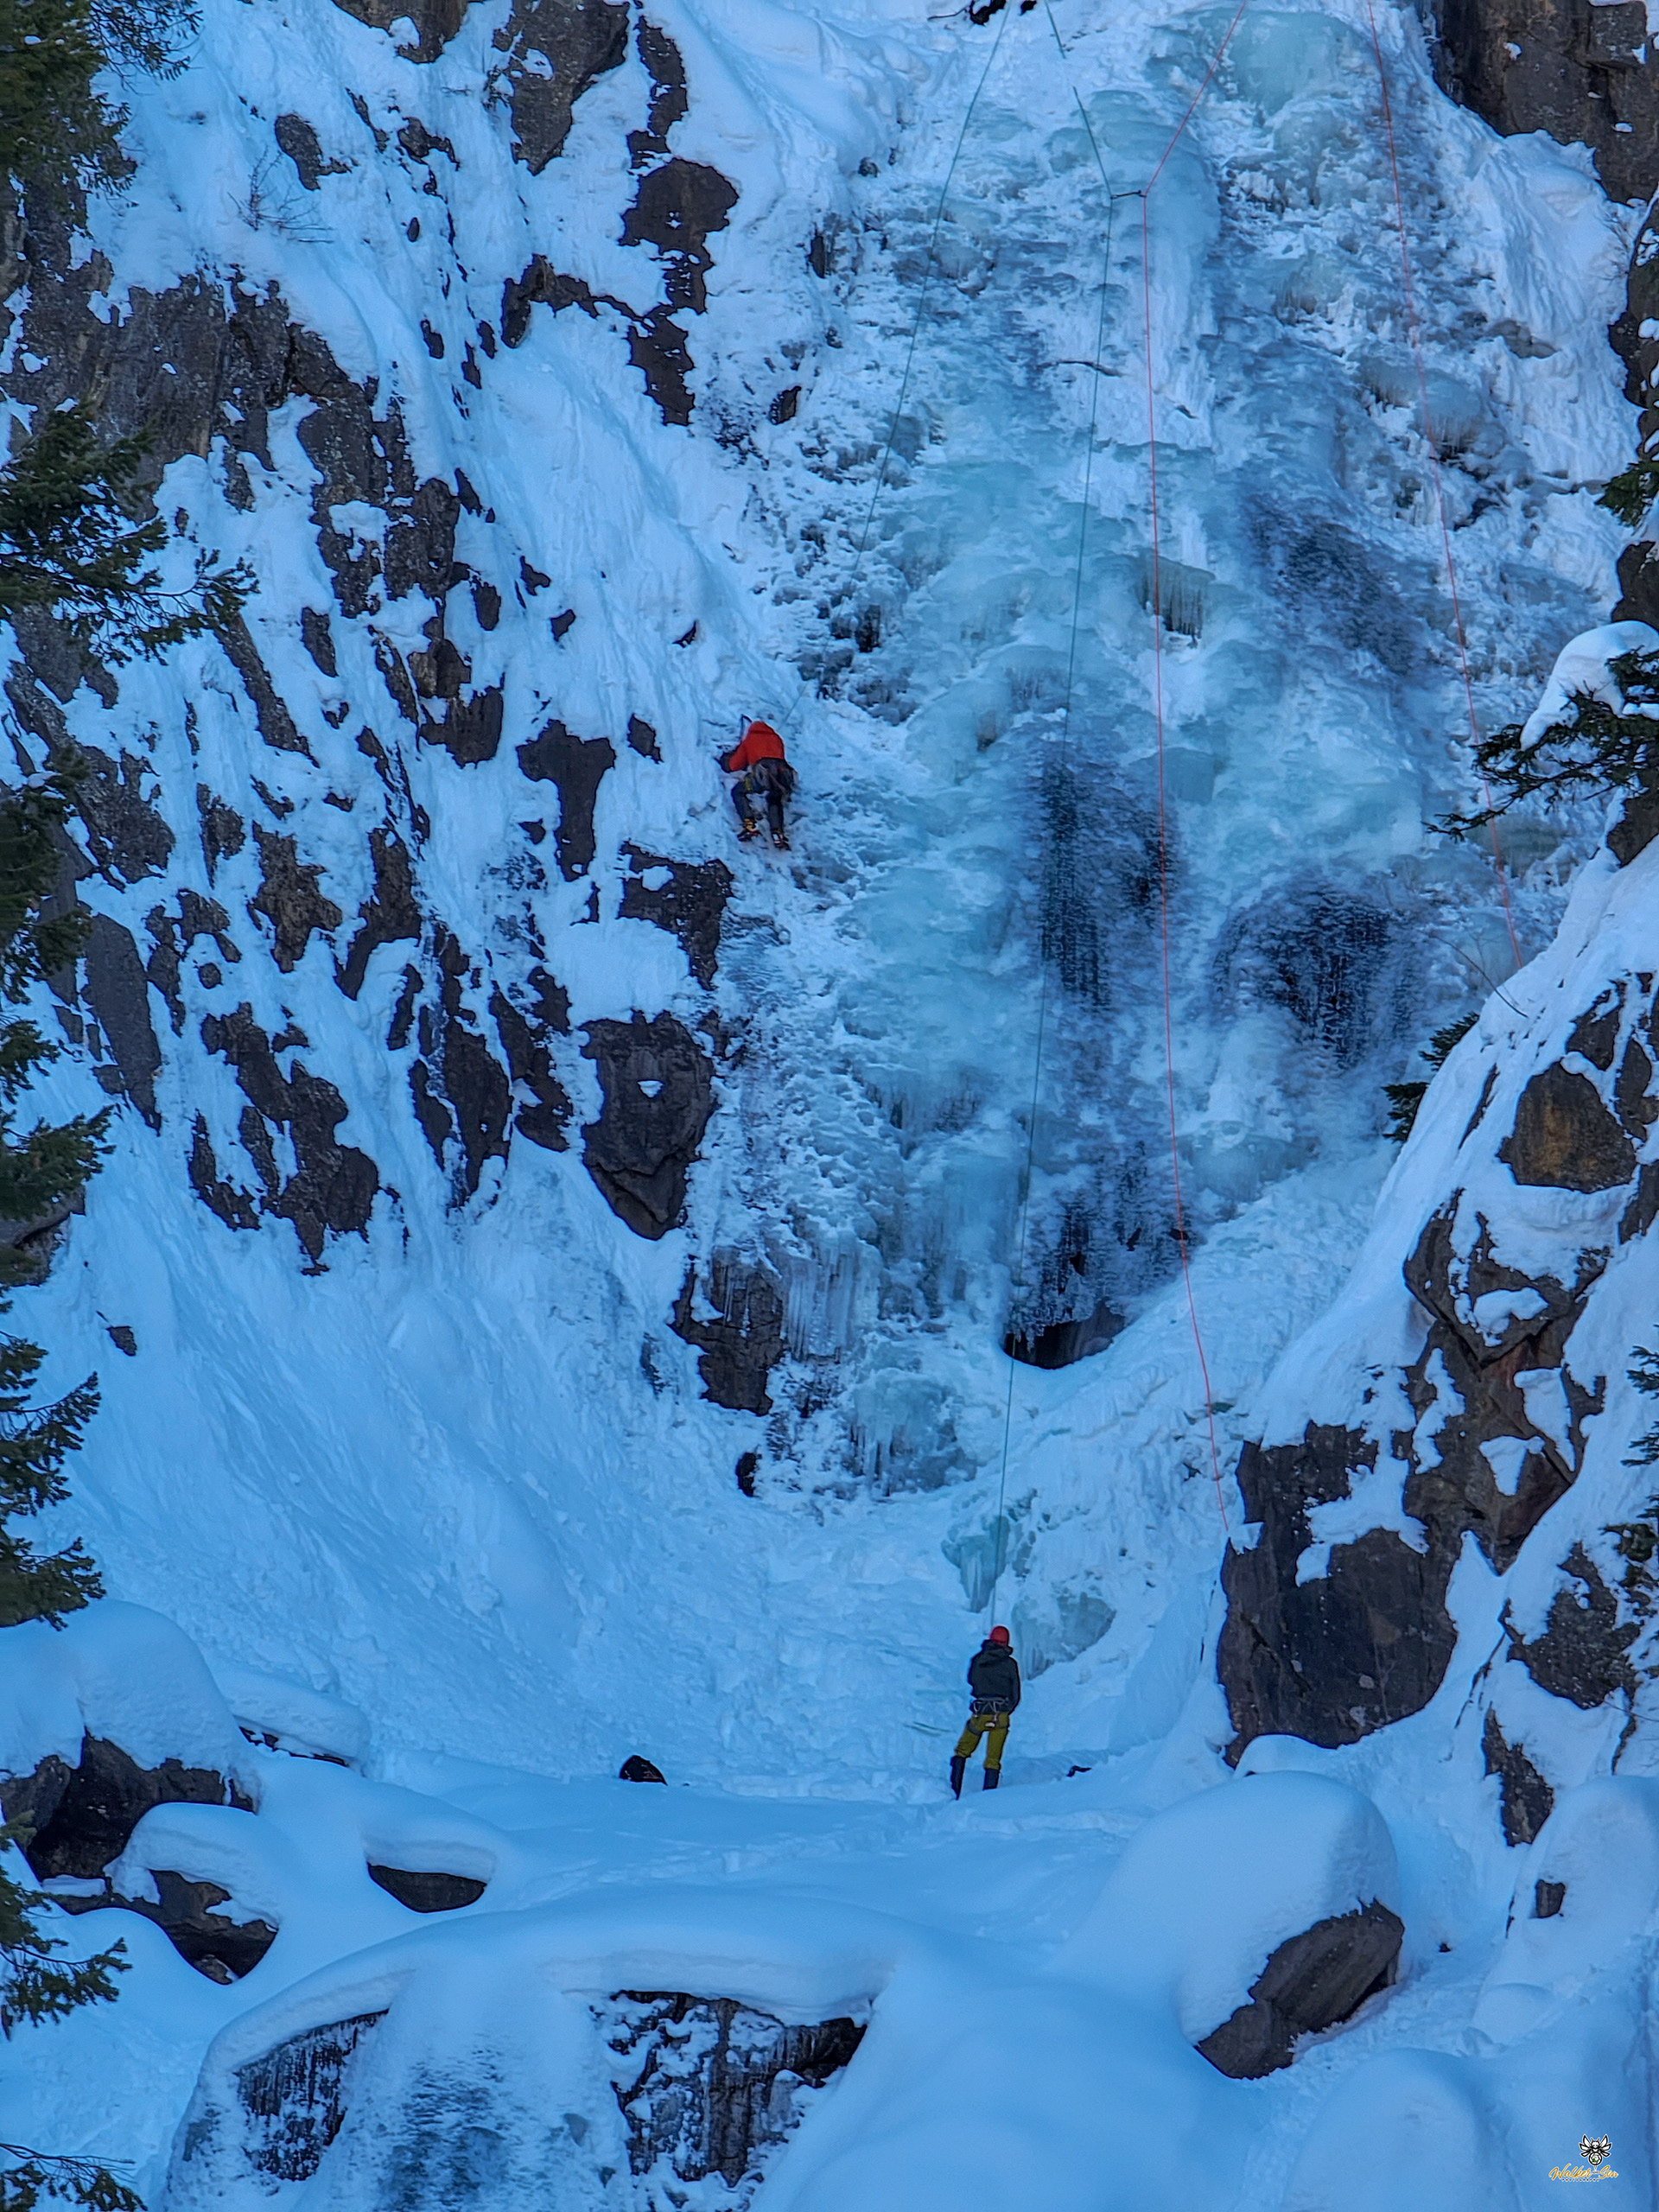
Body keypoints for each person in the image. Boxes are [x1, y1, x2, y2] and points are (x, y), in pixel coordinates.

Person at [950, 1624, 1020, 1796]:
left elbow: (972, 1682)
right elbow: (1016, 1693)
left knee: (962, 1751)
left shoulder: (978, 1660)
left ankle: (952, 1790)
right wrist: (1006, 1709)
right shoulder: (1010, 1664)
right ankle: (988, 1799)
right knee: (993, 1760)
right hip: (1001, 1715)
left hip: (980, 1712)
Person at [720, 718, 796, 849]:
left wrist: (725, 761)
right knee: (774, 799)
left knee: (739, 791)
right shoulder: (777, 739)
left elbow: (735, 764)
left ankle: (750, 825)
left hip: (760, 779)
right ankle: (778, 833)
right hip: (781, 778)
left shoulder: (750, 739)